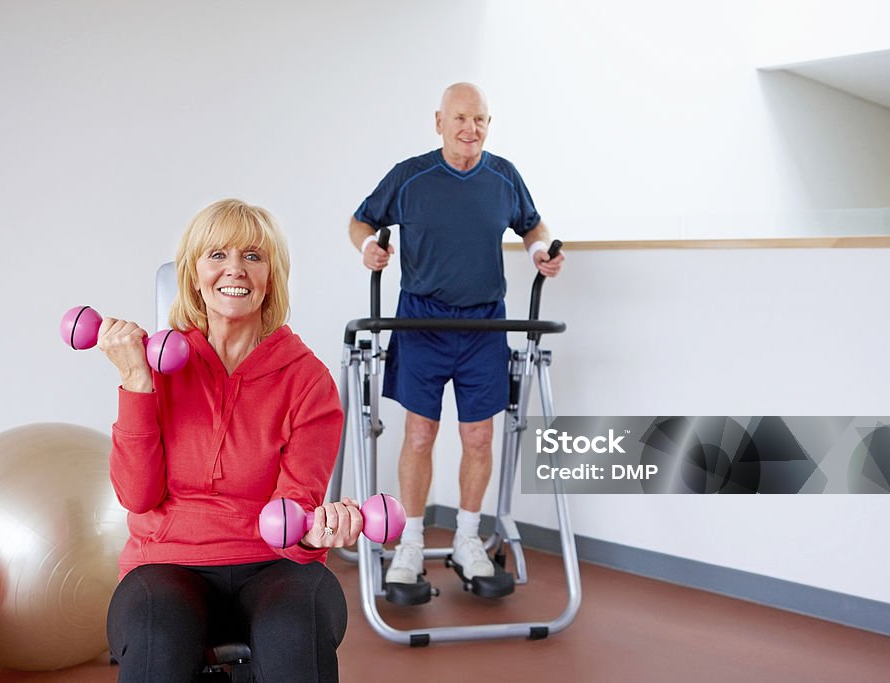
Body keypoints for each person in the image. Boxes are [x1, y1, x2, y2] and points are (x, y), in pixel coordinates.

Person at [101, 199, 359, 682]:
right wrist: (136, 381)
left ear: (271, 276)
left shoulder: (308, 379)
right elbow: (137, 496)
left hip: (272, 565)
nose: (234, 269)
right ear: (194, 275)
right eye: (216, 255)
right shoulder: (157, 367)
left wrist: (312, 532)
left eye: (253, 256)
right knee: (159, 634)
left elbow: (294, 506)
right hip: (168, 562)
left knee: (295, 626)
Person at [347, 83, 564, 589]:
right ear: (439, 120)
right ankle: (411, 542)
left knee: (480, 435)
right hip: (422, 321)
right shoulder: (411, 176)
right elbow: (361, 222)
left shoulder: (503, 176)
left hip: (484, 323)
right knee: (420, 433)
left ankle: (469, 539)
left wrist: (540, 252)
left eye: (482, 120)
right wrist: (368, 250)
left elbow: (533, 227)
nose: (472, 129)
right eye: (462, 118)